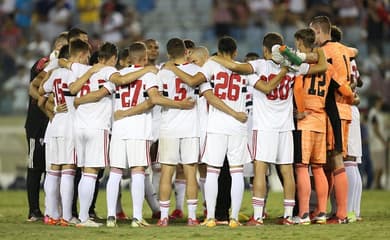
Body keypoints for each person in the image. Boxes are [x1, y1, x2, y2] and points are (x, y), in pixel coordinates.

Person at [165, 36, 286, 228]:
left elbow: (191, 80)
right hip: (238, 126)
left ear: (218, 51)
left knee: (212, 172)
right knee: (236, 172)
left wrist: (172, 67)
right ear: (236, 52)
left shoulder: (212, 65)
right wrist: (284, 71)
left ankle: (211, 217)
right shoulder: (244, 69)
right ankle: (234, 218)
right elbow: (266, 87)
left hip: (216, 126)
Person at [210, 33, 326, 226]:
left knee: (260, 169)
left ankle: (258, 216)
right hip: (286, 126)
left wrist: (214, 58)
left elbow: (236, 67)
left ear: (265, 50)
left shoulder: (259, 65)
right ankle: (289, 216)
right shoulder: (293, 66)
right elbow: (323, 66)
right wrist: (317, 51)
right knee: (287, 171)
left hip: (264, 127)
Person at [292, 28, 353, 225]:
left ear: (301, 42)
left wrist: (299, 110)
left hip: (305, 120)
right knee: (318, 168)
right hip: (322, 121)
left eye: (297, 43)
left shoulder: (298, 62)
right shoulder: (326, 65)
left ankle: (302, 214)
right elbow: (342, 88)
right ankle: (321, 212)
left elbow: (299, 88)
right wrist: (353, 97)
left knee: (302, 167)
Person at [310, 15, 356, 224]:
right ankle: (330, 211)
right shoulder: (344, 49)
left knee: (335, 159)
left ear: (319, 32)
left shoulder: (325, 51)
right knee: (331, 161)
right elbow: (354, 52)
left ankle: (342, 214)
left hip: (334, 109)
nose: (312, 38)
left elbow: (334, 81)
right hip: (344, 108)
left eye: (313, 33)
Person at [155, 38, 201, 226]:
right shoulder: (197, 71)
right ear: (186, 52)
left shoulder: (162, 73)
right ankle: (191, 217)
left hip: (168, 127)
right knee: (191, 172)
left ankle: (164, 217)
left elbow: (155, 99)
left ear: (168, 54)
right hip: (191, 127)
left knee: (167, 172)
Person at [25, 32, 68, 222]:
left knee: (54, 167)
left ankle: (54, 210)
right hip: (37, 123)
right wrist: (50, 107)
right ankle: (34, 210)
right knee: (35, 166)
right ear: (58, 47)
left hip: (55, 122)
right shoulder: (44, 63)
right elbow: (34, 87)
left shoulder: (63, 67)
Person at [37, 45, 80, 226]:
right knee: (68, 171)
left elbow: (40, 90)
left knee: (53, 172)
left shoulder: (55, 74)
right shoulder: (75, 73)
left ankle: (50, 214)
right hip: (70, 126)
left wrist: (51, 70)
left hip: (54, 126)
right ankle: (66, 216)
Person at [368, 94, 387, 190]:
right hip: (376, 144)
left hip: (379, 144)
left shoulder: (378, 113)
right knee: (377, 168)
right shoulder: (374, 113)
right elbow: (375, 129)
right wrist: (384, 141)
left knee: (381, 167)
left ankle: (378, 186)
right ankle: (374, 186)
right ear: (376, 102)